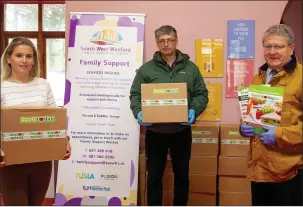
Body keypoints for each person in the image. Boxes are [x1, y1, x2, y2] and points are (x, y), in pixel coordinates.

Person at [130, 25, 209, 206]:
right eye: (162, 41)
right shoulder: (146, 70)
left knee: (182, 176)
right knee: (154, 177)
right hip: (155, 132)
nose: (166, 44)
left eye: (170, 40)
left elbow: (202, 94)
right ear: (157, 43)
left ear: (176, 41)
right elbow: (135, 94)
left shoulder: (191, 68)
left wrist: (194, 110)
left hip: (181, 131)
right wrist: (138, 111)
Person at [0, 37, 71, 205]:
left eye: (29, 56)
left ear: (34, 60)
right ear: (9, 59)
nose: (24, 60)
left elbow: (55, 119)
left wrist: (65, 141)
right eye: (19, 55)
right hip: (11, 162)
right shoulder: (2, 87)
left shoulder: (43, 85)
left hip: (42, 161)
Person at [240, 24, 302, 206]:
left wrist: (278, 134)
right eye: (268, 46)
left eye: (278, 46)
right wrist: (244, 126)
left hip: (290, 172)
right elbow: (253, 114)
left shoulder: (300, 78)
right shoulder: (258, 77)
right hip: (259, 170)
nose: (272, 52)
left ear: (291, 48)